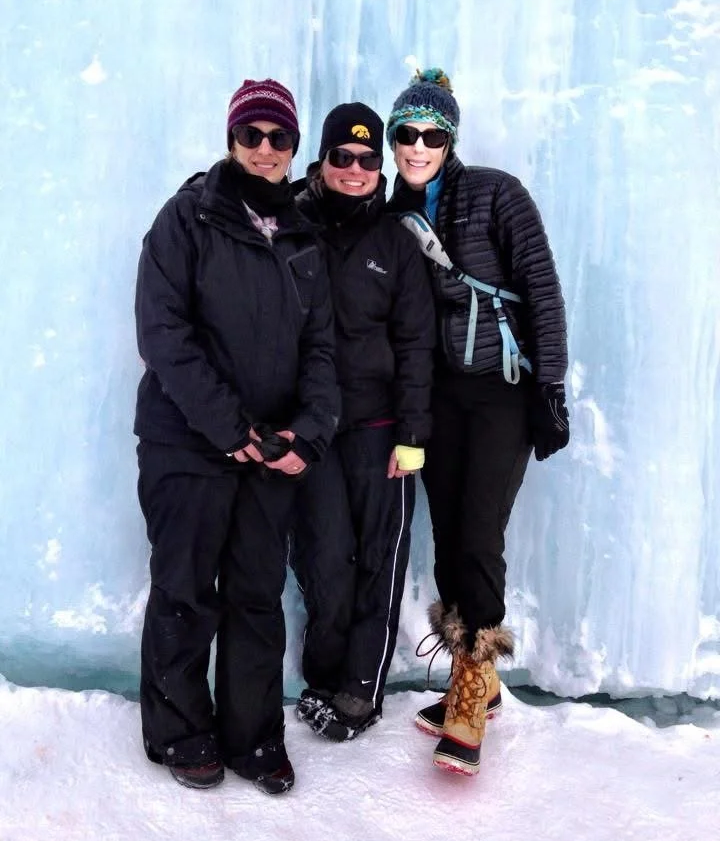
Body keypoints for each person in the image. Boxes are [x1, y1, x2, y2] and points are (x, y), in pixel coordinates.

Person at [134, 78, 339, 795]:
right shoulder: (187, 217)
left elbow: (321, 351)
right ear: (231, 140)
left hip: (269, 452)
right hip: (187, 442)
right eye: (251, 135)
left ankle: (253, 738)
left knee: (256, 594)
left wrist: (306, 435)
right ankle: (180, 732)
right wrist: (229, 427)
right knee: (186, 588)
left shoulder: (303, 237)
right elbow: (163, 333)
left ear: (293, 148)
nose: (264, 149)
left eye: (279, 138)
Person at [385, 68, 570, 776]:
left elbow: (542, 290)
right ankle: (478, 679)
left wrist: (550, 387)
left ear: (451, 141)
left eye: (432, 136)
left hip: (501, 391)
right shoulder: (390, 212)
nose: (418, 146)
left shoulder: (497, 195)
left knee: (479, 533)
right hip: (440, 396)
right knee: (447, 538)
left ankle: (469, 692)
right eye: (407, 133)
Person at [290, 102, 435, 741]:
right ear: (322, 161)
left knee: (380, 560)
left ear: (381, 167)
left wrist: (413, 435)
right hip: (313, 428)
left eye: (368, 158)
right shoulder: (293, 228)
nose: (355, 169)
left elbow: (417, 343)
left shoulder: (396, 243)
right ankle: (322, 678)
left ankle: (360, 692)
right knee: (325, 558)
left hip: (381, 427)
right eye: (341, 157)